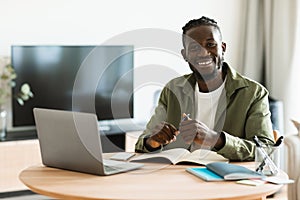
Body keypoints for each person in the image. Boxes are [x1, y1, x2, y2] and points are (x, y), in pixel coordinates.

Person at [135, 16, 275, 161]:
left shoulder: (253, 93)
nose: (203, 53)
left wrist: (216, 139)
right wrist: (153, 141)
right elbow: (141, 143)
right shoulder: (172, 89)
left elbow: (266, 150)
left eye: (210, 45)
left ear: (223, 48)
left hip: (225, 177)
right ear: (185, 55)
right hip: (176, 175)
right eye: (194, 47)